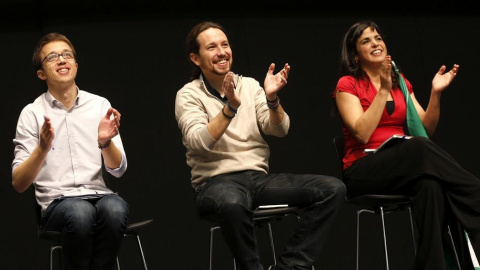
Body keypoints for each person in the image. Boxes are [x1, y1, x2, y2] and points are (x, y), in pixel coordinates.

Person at [175, 21, 346, 270]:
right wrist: (230, 108)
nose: (222, 52)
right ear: (195, 58)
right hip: (214, 184)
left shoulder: (250, 85)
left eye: (225, 44)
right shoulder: (188, 94)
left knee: (332, 189)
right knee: (233, 203)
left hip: (258, 180)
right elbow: (198, 142)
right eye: (211, 47)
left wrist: (273, 99)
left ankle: (290, 267)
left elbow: (279, 128)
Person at [333, 20, 480, 269]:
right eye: (366, 41)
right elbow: (362, 133)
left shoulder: (401, 82)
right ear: (356, 56)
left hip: (402, 162)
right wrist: (382, 91)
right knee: (419, 147)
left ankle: (432, 265)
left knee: (431, 183)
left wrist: (436, 93)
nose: (375, 43)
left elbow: (426, 127)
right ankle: (475, 193)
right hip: (363, 169)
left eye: (378, 38)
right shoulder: (347, 85)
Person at [12, 32, 129, 270]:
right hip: (57, 204)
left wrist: (105, 142)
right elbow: (19, 183)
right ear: (41, 73)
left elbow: (118, 170)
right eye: (52, 57)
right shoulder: (32, 113)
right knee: (80, 212)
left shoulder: (99, 105)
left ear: (76, 64)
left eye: (67, 55)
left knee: (116, 208)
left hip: (98, 195)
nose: (62, 60)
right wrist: (42, 149)